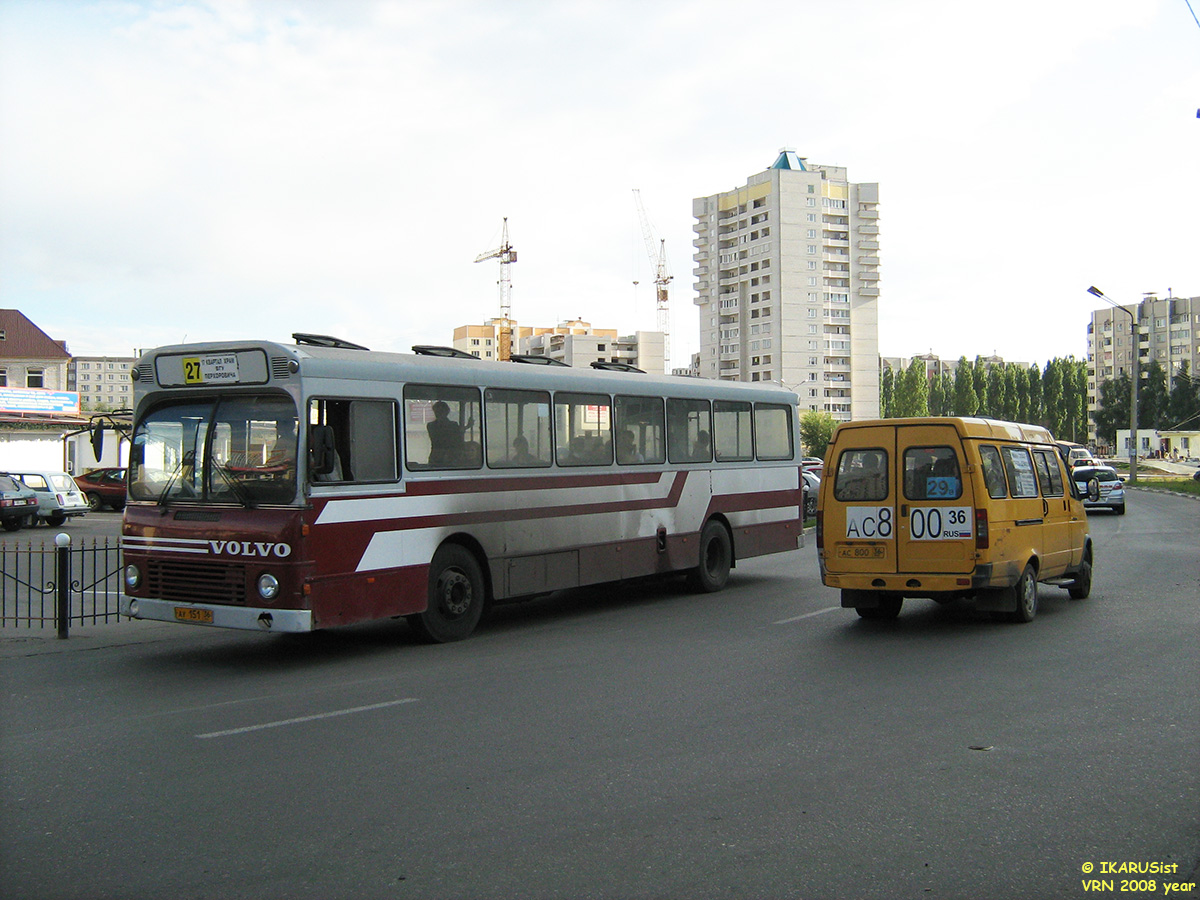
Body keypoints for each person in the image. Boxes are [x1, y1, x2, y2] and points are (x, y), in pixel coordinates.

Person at [427, 400, 464, 466]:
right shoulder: (431, 425)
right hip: (436, 458)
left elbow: (457, 439)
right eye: (436, 411)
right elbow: (442, 437)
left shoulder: (453, 425)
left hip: (450, 457)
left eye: (441, 411)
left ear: (446, 412)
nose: (438, 413)